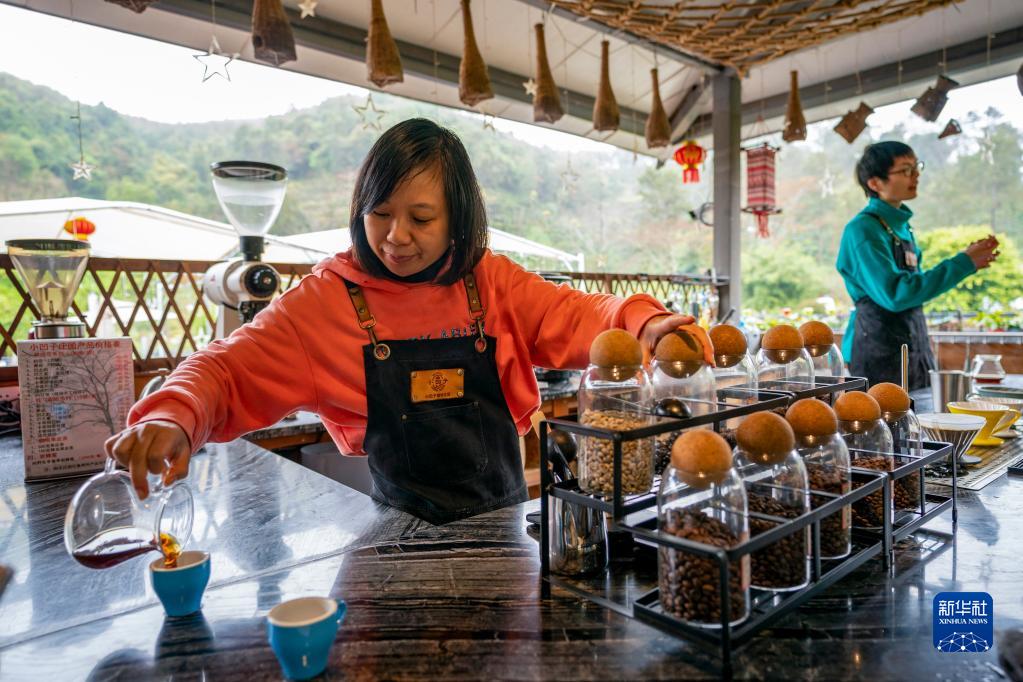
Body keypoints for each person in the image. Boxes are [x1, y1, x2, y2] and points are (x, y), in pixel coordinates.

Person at [106, 118, 697, 525]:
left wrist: (645, 324)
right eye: (380, 213)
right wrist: (173, 415)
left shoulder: (487, 281)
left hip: (505, 531)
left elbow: (582, 313)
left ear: (458, 218)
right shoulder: (327, 301)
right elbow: (227, 368)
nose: (396, 237)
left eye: (421, 217)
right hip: (395, 539)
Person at [836, 141, 1000, 390]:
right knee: (882, 426)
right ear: (875, 183)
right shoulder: (863, 230)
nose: (916, 175)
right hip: (877, 349)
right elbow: (896, 294)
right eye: (905, 170)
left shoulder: (902, 227)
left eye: (916, 167)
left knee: (918, 421)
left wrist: (965, 263)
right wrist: (962, 263)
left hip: (914, 343)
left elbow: (915, 289)